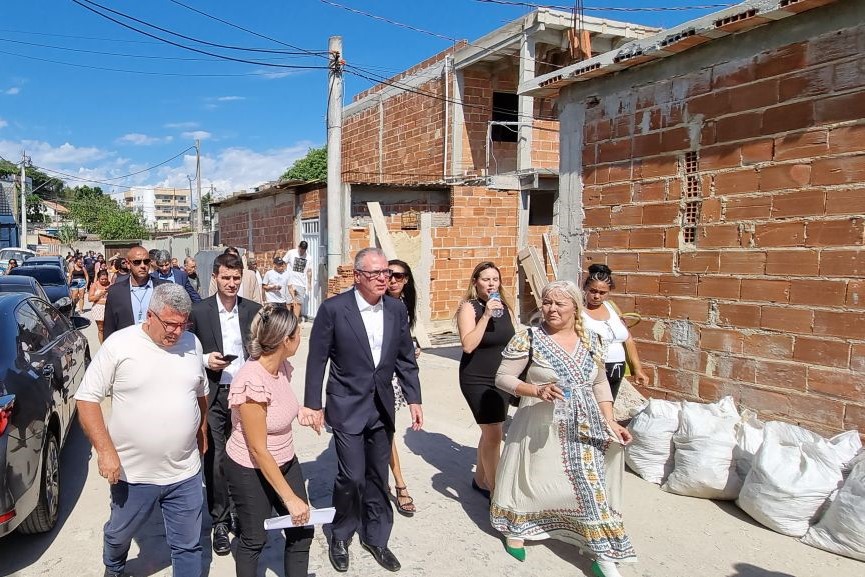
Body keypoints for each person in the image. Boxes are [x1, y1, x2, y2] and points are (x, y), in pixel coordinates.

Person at [491, 280, 635, 576]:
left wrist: (610, 420)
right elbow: (503, 377)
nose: (551, 309)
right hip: (542, 425)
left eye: (559, 303)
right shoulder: (528, 338)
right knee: (535, 479)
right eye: (546, 302)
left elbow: (600, 383)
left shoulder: (593, 340)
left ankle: (603, 556)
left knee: (592, 485)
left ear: (575, 307)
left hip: (587, 424)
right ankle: (517, 526)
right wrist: (536, 390)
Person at [75, 283, 209, 577]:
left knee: (188, 546)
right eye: (170, 324)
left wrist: (202, 429)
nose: (176, 332)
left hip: (184, 471)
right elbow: (87, 399)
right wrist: (106, 452)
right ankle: (114, 565)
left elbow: (200, 393)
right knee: (119, 534)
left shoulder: (193, 344)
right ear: (150, 315)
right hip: (132, 474)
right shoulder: (120, 345)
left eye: (182, 324)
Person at [304, 247, 423, 573]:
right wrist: (313, 404)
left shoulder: (396, 309)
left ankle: (376, 537)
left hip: (382, 405)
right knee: (352, 476)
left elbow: (404, 358)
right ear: (358, 277)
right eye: (376, 274)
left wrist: (414, 398)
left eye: (386, 272)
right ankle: (340, 535)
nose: (384, 279)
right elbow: (317, 360)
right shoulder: (333, 309)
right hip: (346, 404)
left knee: (377, 475)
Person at [225, 304, 320, 577]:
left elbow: (279, 407)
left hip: (285, 459)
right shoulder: (251, 381)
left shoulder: (281, 367)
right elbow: (258, 448)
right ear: (284, 341)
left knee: (301, 530)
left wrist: (301, 413)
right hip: (249, 467)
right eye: (297, 332)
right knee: (255, 539)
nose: (301, 336)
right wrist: (289, 498)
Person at [188, 253, 261, 556]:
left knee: (247, 457)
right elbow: (185, 348)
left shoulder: (254, 310)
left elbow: (263, 348)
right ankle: (219, 520)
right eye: (226, 278)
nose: (231, 284)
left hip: (246, 396)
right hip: (215, 393)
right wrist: (206, 360)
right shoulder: (200, 311)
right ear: (215, 278)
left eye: (236, 278)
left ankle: (244, 514)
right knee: (216, 457)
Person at [456, 261, 514, 498]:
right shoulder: (469, 308)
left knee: (492, 431)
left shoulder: (507, 307)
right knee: (494, 434)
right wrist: (487, 314)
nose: (491, 283)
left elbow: (513, 342)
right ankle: (496, 492)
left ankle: (480, 480)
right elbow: (468, 345)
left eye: (495, 279)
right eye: (486, 279)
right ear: (475, 282)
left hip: (501, 378)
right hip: (476, 378)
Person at [581, 264, 649, 399]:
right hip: (592, 370)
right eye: (593, 291)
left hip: (617, 368)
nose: (597, 296)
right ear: (585, 288)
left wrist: (638, 369)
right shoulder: (578, 311)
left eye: (602, 293)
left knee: (608, 408)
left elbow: (628, 339)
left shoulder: (612, 307)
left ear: (609, 292)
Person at [385, 259, 419, 517]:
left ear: (406, 280)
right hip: (379, 375)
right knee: (386, 430)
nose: (393, 280)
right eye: (389, 275)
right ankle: (398, 482)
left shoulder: (404, 306)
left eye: (399, 276)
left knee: (387, 429)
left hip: (396, 376)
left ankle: (396, 482)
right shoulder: (379, 303)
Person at [103, 246, 169, 341]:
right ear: (128, 264)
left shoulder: (165, 287)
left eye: (146, 261)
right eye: (137, 262)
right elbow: (109, 327)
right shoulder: (115, 292)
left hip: (157, 346)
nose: (143, 266)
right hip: (127, 347)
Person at [283, 241, 312, 320]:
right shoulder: (291, 253)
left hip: (301, 283)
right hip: (290, 282)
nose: (302, 251)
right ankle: (287, 320)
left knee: (298, 302)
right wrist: (285, 274)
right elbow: (283, 262)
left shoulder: (308, 257)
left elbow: (309, 271)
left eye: (304, 250)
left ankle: (295, 321)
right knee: (289, 302)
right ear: (298, 247)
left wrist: (309, 283)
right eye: (301, 249)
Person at [88, 269, 112, 342]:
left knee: (109, 328)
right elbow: (90, 299)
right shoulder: (94, 285)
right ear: (98, 278)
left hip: (109, 308)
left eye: (105, 279)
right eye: (102, 279)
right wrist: (100, 294)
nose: (104, 281)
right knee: (101, 329)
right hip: (98, 309)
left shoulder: (110, 284)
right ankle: (102, 345)